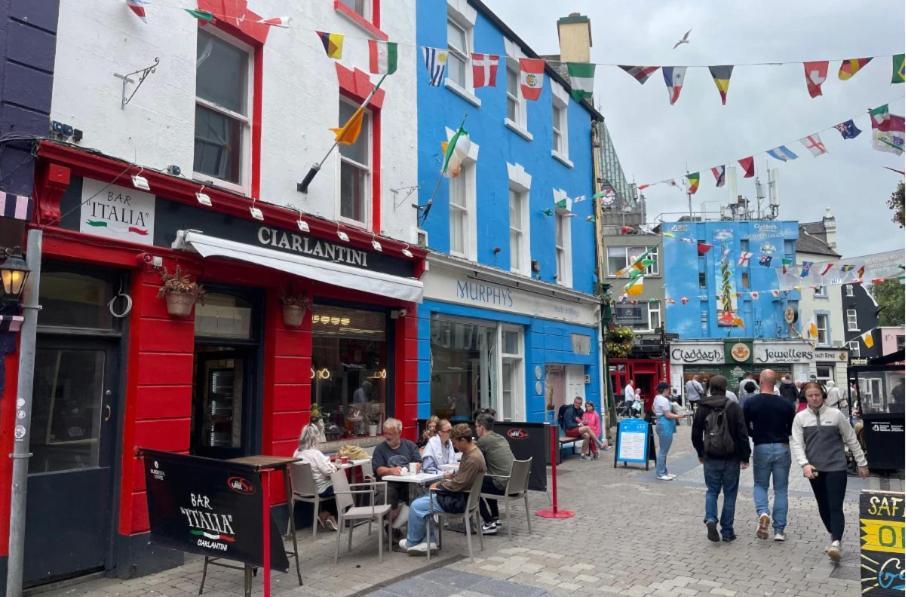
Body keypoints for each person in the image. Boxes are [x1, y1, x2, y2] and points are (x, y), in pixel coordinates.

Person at [791, 381, 869, 562]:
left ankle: (836, 542)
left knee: (835, 505)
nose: (814, 398)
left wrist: (861, 463)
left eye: (817, 395)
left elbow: (851, 438)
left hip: (836, 467)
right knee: (823, 505)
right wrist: (804, 464)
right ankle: (833, 533)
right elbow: (797, 443)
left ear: (823, 395)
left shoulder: (836, 415)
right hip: (814, 469)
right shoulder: (800, 418)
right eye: (810, 396)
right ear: (805, 397)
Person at [400, 423, 486, 554]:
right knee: (424, 500)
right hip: (466, 498)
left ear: (463, 440)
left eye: (455, 443)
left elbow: (458, 484)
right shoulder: (473, 453)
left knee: (417, 505)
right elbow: (463, 478)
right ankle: (428, 540)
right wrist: (452, 476)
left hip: (458, 501)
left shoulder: (471, 459)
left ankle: (413, 541)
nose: (455, 446)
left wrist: (439, 484)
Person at [692, 375, 751, 543]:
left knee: (712, 491)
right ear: (725, 388)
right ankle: (727, 531)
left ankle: (711, 519)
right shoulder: (733, 406)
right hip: (731, 457)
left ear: (710, 387)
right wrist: (745, 456)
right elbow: (742, 434)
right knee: (730, 494)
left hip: (710, 457)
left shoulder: (702, 407)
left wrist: (700, 452)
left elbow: (695, 434)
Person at [743, 369, 796, 542]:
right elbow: (792, 428)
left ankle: (763, 512)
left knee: (760, 484)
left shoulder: (751, 403)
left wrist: (753, 434)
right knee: (781, 489)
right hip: (782, 446)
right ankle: (779, 530)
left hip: (761, 446)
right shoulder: (786, 404)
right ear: (775, 383)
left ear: (760, 381)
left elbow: (745, 426)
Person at [372, 418, 421, 530]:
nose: (387, 436)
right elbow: (378, 469)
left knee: (418, 493)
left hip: (407, 483)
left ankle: (395, 527)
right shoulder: (379, 449)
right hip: (387, 484)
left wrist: (417, 466)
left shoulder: (409, 445)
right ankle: (391, 523)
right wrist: (391, 470)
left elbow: (419, 462)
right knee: (388, 493)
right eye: (385, 433)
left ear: (399, 432)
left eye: (391, 433)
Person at [474, 413, 515, 535]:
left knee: (473, 485)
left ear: (482, 427)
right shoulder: (501, 438)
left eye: (476, 426)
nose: (475, 429)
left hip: (503, 484)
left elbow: (473, 458)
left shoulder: (483, 441)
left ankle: (488, 523)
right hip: (514, 484)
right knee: (487, 480)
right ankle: (495, 519)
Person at [293, 424, 339, 530]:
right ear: (315, 438)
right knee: (339, 486)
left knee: (331, 486)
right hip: (318, 490)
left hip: (300, 490)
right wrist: (334, 465)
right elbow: (328, 471)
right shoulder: (315, 454)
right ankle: (330, 516)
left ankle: (326, 516)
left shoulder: (296, 453)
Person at [653, 382, 682, 481]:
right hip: (665, 425)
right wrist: (680, 416)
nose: (669, 390)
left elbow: (653, 408)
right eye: (669, 389)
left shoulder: (657, 398)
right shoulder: (664, 400)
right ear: (665, 389)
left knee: (663, 450)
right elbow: (668, 415)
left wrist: (658, 415)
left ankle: (664, 471)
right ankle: (660, 473)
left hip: (660, 423)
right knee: (663, 451)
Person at [562, 396, 598, 460]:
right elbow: (569, 425)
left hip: (577, 431)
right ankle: (599, 444)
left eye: (579, 403)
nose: (577, 404)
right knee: (587, 428)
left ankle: (582, 455)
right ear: (574, 402)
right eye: (576, 402)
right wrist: (579, 424)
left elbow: (583, 420)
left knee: (587, 436)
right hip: (569, 431)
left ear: (581, 404)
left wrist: (584, 422)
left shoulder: (580, 411)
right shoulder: (569, 411)